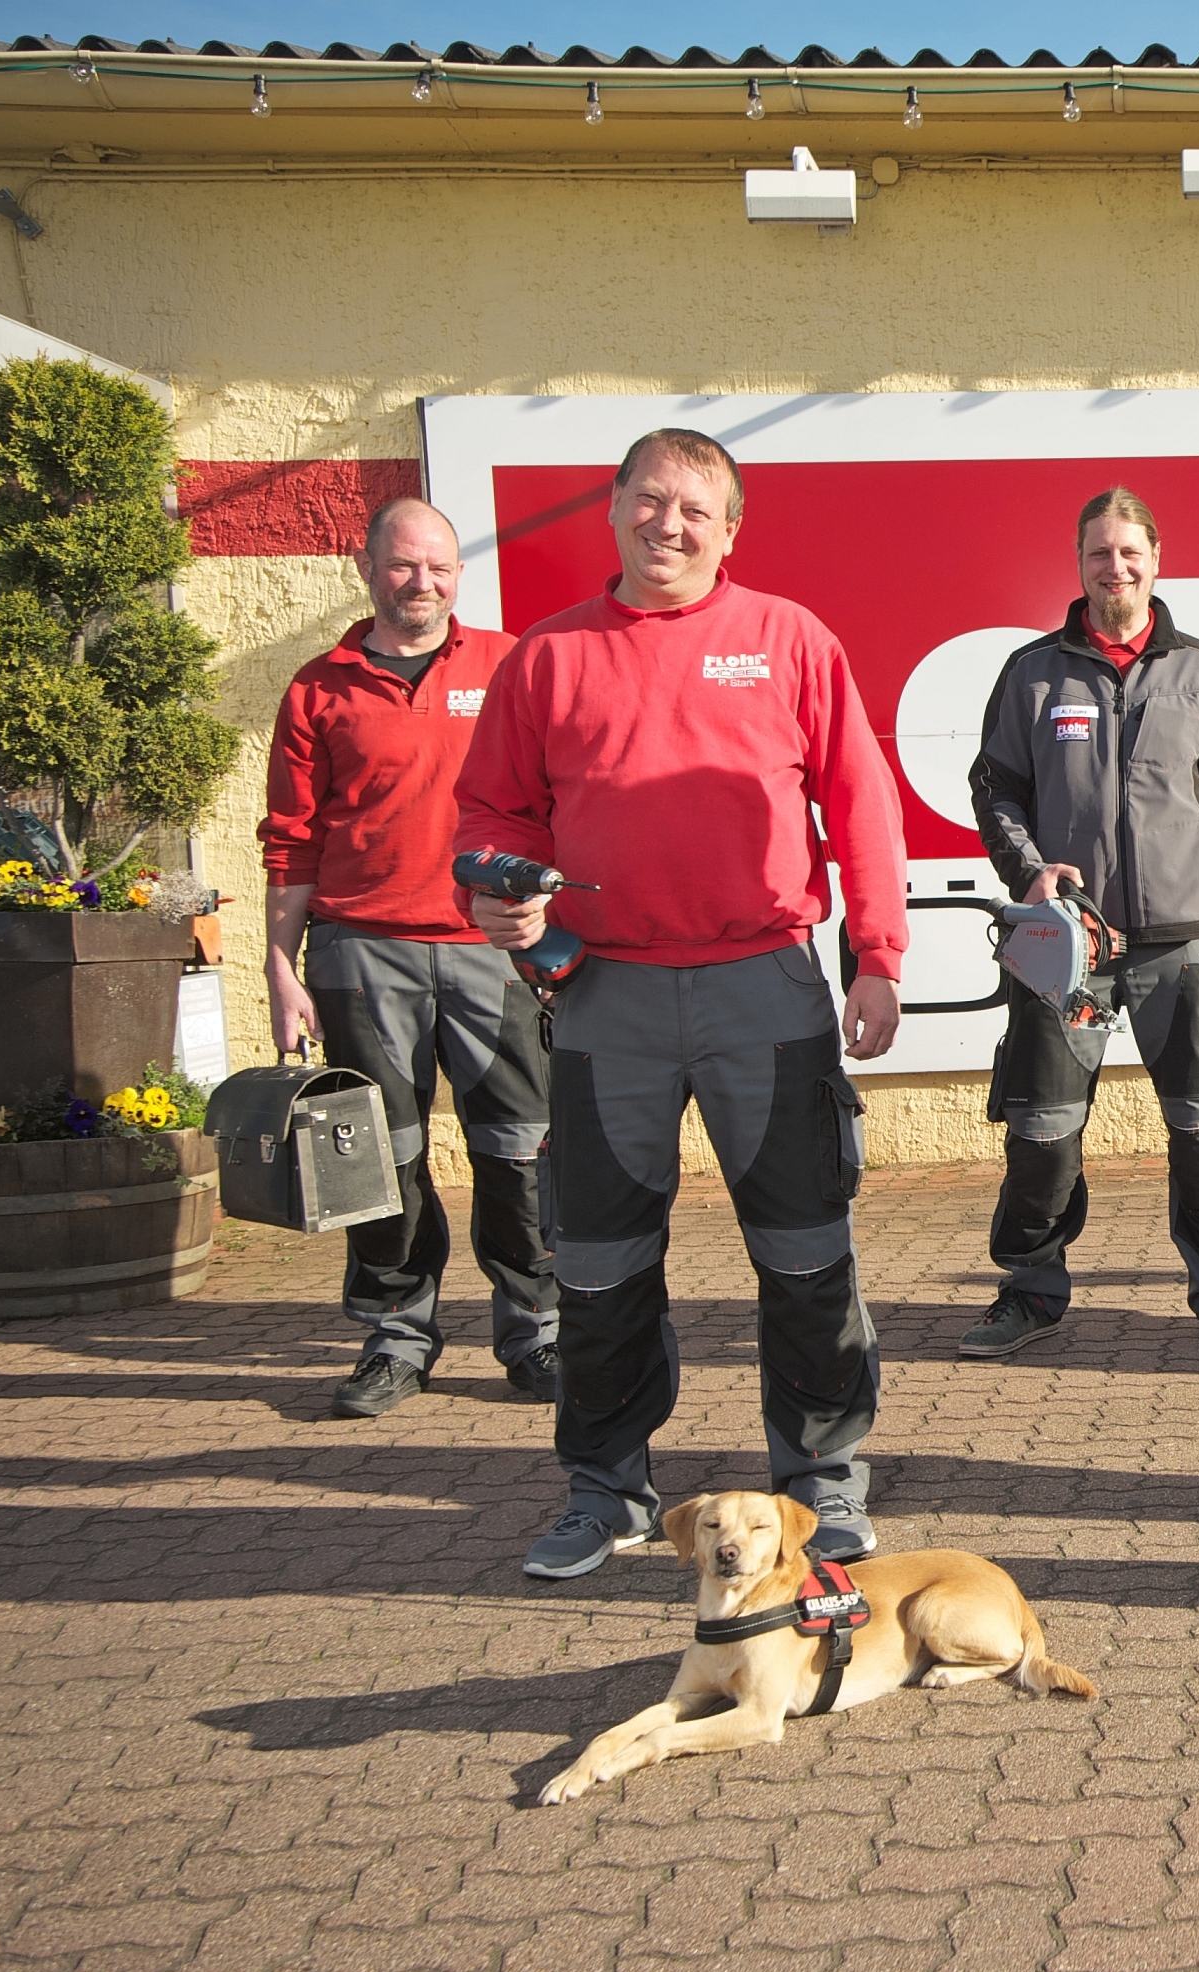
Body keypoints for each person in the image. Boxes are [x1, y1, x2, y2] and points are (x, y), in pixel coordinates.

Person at [454, 428, 910, 1582]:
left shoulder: (788, 639)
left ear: (730, 527)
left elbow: (862, 801)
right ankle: (606, 1488)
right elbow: (492, 819)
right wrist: (500, 896)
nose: (670, 524)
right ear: (612, 509)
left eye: (695, 508)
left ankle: (819, 1482)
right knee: (599, 1263)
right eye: (650, 501)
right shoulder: (547, 659)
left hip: (765, 988)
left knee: (808, 1253)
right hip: (605, 998)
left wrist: (877, 952)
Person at [258, 495, 557, 1419]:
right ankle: (396, 1338)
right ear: (366, 569)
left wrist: (545, 905)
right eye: (400, 565)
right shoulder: (318, 686)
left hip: (491, 952)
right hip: (360, 951)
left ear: (457, 573)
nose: (419, 583)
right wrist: (278, 966)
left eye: (437, 566)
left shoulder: (508, 665)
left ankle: (537, 1334)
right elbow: (291, 842)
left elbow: (557, 797)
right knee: (376, 1159)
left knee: (521, 1149)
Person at [960, 488, 1199, 1356]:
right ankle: (1029, 1290)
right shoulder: (1034, 671)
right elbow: (997, 790)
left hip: (1182, 947)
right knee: (1042, 1131)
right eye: (1099, 554)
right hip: (1070, 946)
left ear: (1155, 559)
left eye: (1129, 552)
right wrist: (1028, 874)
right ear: (1080, 565)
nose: (1116, 567)